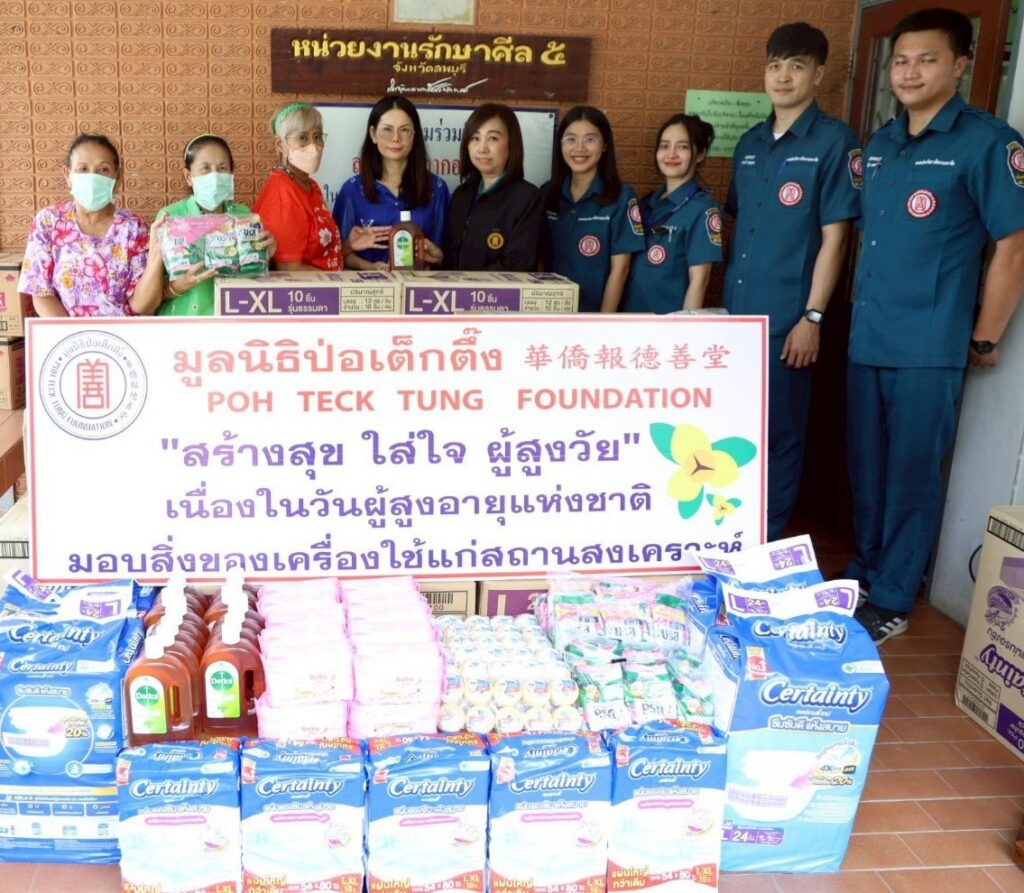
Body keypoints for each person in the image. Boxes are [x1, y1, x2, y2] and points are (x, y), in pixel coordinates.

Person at [846, 8, 1024, 642]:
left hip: (928, 345)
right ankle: (866, 572)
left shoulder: (987, 143)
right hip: (868, 338)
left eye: (926, 60)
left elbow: (1013, 246)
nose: (909, 72)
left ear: (960, 65)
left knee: (912, 475)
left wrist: (985, 335)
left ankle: (894, 595)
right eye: (900, 61)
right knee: (867, 469)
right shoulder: (881, 145)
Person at [722, 22, 861, 541]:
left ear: (819, 75)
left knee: (780, 434)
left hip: (788, 322)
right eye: (775, 65)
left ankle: (767, 537)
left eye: (796, 66)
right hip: (737, 319)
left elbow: (835, 240)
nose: (783, 77)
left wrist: (812, 318)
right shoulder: (750, 143)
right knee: (737, 429)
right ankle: (732, 529)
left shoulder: (834, 142)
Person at [18, 133, 164, 317]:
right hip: (67, 334)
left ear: (117, 177)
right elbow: (41, 293)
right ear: (67, 175)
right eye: (83, 169)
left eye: (103, 169)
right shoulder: (48, 222)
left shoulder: (134, 229)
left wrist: (157, 254)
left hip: (123, 334)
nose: (93, 178)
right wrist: (74, 334)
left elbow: (141, 305)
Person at [155, 134, 276, 316]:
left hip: (233, 318)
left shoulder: (243, 216)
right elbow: (152, 293)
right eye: (205, 168)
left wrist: (266, 254)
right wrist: (180, 285)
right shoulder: (170, 218)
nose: (215, 176)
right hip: (185, 322)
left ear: (231, 174)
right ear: (188, 176)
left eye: (222, 168)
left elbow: (253, 273)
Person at [541, 106, 645, 312]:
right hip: (550, 312)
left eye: (590, 139)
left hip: (596, 313)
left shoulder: (622, 197)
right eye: (570, 139)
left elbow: (621, 269)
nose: (579, 148)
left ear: (604, 145)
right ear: (560, 144)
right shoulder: (547, 193)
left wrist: (602, 322)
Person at [332, 95, 448, 270]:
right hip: (369, 286)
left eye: (404, 130)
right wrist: (372, 268)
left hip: (420, 285)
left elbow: (445, 255)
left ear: (414, 134)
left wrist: (436, 257)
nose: (395, 138)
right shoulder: (352, 190)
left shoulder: (437, 189)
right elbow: (339, 252)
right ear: (373, 134)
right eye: (387, 129)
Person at [622, 113, 722, 313]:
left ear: (700, 154)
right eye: (664, 146)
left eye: (683, 147)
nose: (671, 154)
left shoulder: (703, 210)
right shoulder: (646, 203)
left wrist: (684, 327)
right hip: (631, 317)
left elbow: (700, 280)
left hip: (668, 322)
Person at [444, 103, 543, 271]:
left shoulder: (527, 197)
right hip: (458, 288)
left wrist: (468, 282)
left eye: (493, 138)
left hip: (498, 290)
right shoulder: (462, 195)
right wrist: (439, 257)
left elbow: (518, 264)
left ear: (511, 144)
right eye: (475, 138)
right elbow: (453, 258)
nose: (482, 148)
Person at [253, 102, 343, 271]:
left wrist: (350, 245)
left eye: (317, 137)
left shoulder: (310, 184)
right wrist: (338, 282)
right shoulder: (283, 194)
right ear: (280, 144)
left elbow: (319, 254)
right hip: (312, 288)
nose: (313, 146)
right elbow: (290, 270)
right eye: (302, 138)